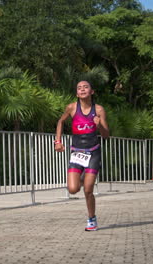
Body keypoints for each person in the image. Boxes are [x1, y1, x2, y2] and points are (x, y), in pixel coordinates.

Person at [54, 80, 109, 231]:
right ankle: (84, 177)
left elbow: (106, 136)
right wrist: (57, 141)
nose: (82, 89)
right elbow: (60, 122)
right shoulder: (72, 107)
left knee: (88, 190)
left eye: (86, 87)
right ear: (77, 93)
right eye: (79, 88)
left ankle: (92, 219)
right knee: (72, 189)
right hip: (76, 153)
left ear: (92, 91)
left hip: (93, 152)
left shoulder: (98, 110)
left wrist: (99, 126)